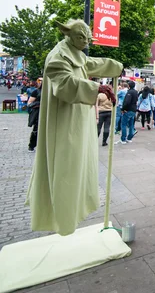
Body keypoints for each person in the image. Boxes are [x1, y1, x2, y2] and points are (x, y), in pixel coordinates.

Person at [25, 19, 122, 235]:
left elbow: (89, 64)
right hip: (65, 124)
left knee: (81, 167)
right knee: (66, 170)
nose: (86, 43)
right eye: (82, 38)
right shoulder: (58, 57)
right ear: (68, 34)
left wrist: (115, 66)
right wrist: (99, 87)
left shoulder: (73, 51)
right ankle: (64, 218)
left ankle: (78, 207)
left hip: (79, 121)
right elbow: (65, 84)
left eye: (88, 39)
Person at [117, 80, 138, 144]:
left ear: (129, 86)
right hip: (133, 110)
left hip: (128, 110)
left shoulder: (129, 92)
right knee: (131, 124)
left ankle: (123, 139)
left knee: (124, 124)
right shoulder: (136, 92)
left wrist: (123, 109)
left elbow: (127, 102)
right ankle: (129, 138)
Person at [27, 81, 42, 152]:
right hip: (38, 113)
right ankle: (31, 145)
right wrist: (39, 103)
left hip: (50, 112)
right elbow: (29, 103)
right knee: (36, 129)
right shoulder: (36, 91)